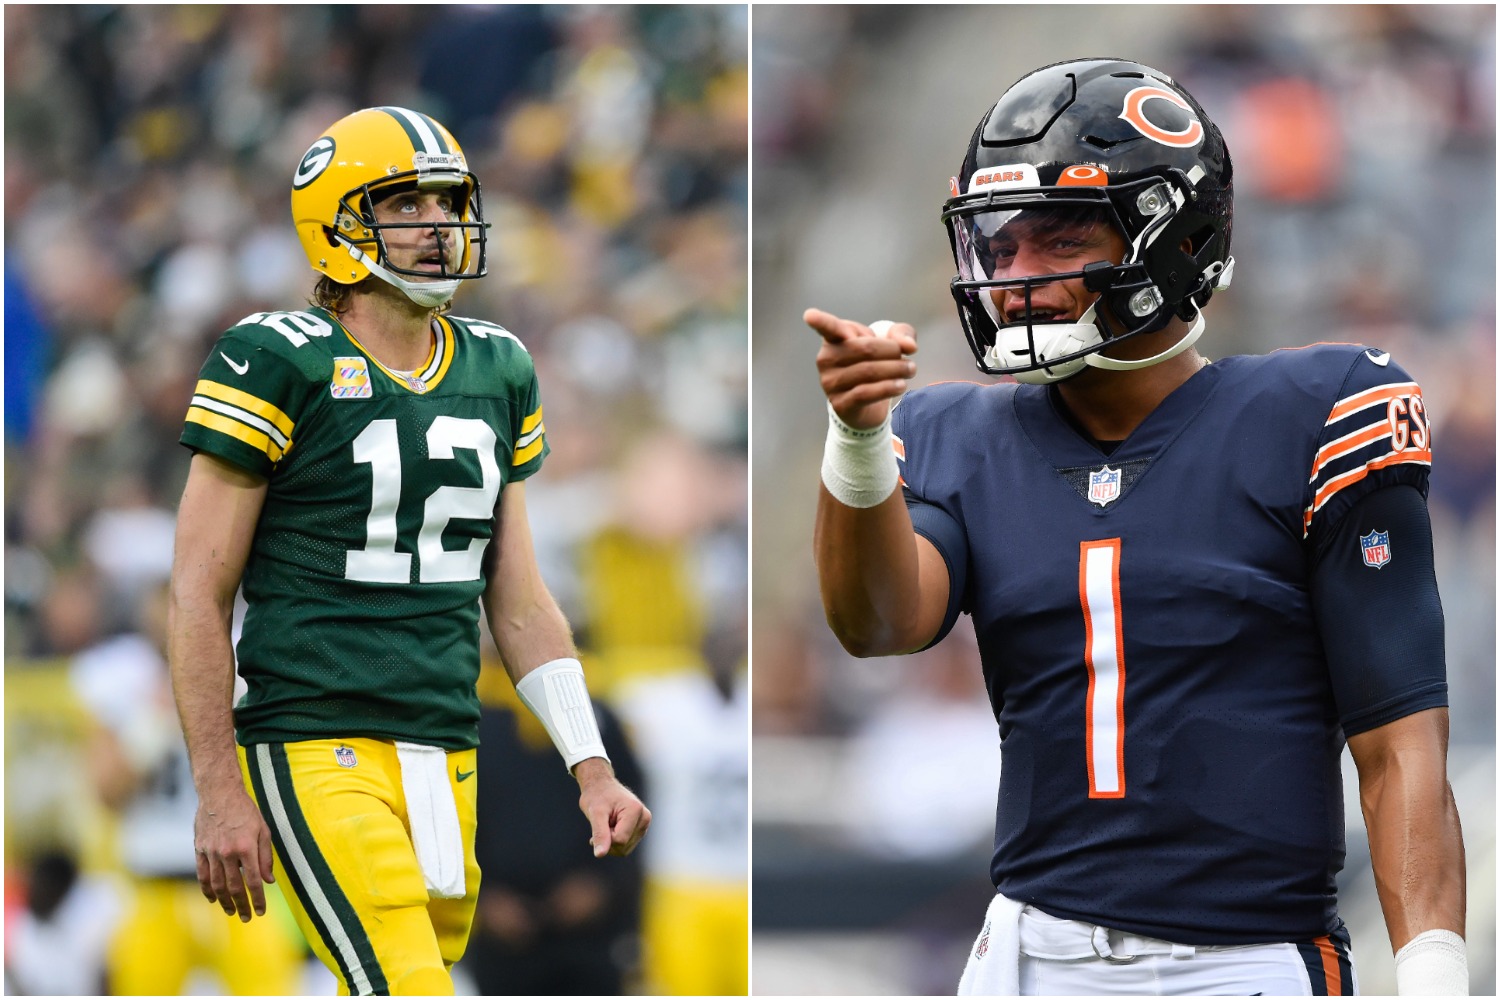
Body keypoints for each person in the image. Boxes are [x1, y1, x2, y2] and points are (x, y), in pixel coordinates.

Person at [807, 58, 1466, 996]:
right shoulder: (956, 433)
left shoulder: (1318, 411)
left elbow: (1400, 741)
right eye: (1000, 247)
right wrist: (857, 441)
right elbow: (878, 624)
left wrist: (1434, 973)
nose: (1016, 279)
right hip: (1031, 953)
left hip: (1249, 960)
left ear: (1174, 236)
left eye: (1058, 240)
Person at [170, 105, 650, 996]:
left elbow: (519, 601)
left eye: (447, 202)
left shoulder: (497, 367)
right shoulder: (278, 359)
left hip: (443, 743)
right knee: (404, 982)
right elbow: (198, 592)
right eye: (406, 205)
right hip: (315, 735)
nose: (437, 226)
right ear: (340, 221)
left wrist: (591, 768)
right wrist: (218, 786)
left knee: (415, 972)